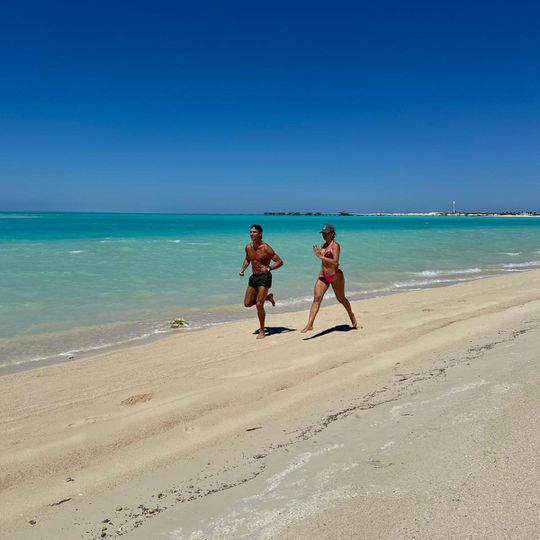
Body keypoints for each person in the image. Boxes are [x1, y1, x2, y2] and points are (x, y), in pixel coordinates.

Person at [301, 224, 357, 333]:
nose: (324, 235)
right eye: (323, 233)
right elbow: (324, 262)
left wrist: (320, 256)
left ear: (332, 234)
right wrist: (320, 255)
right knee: (317, 299)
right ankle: (310, 324)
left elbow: (335, 262)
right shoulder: (323, 245)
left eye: (326, 233)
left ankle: (351, 314)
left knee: (341, 299)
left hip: (335, 276)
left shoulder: (335, 246)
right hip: (323, 276)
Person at [240, 224, 284, 339]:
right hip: (253, 277)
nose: (251, 234)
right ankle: (268, 297)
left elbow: (280, 261)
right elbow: (248, 259)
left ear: (260, 234)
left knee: (259, 304)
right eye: (250, 232)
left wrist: (269, 268)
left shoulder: (266, 248)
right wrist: (243, 269)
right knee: (247, 303)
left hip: (265, 277)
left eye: (254, 232)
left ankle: (262, 331)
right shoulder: (248, 247)